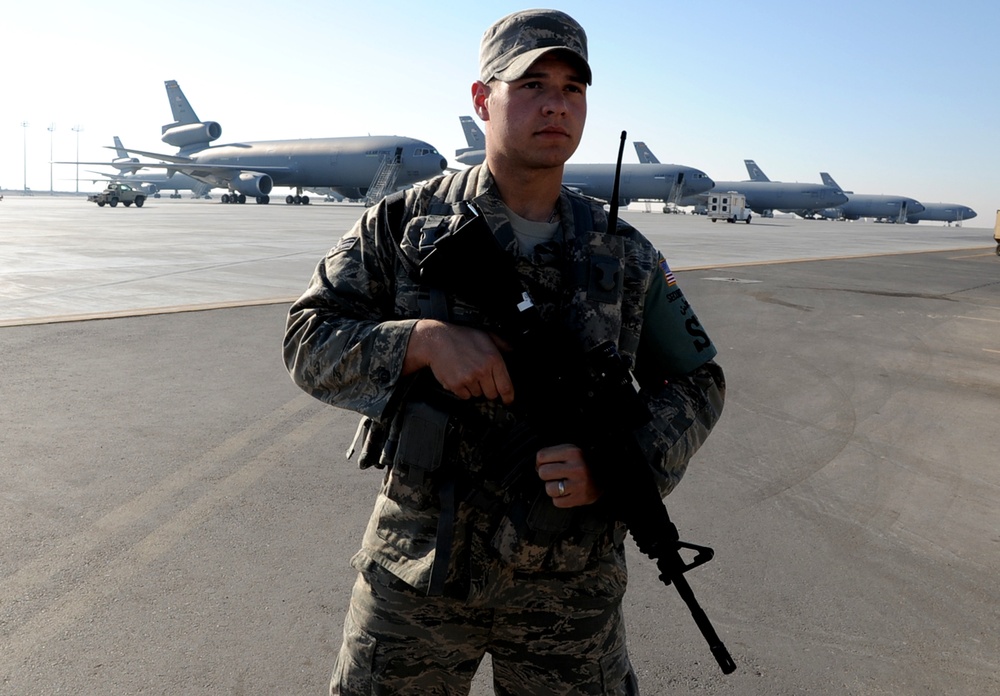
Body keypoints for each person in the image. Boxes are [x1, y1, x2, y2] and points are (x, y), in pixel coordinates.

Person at [283, 8, 726, 695]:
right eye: (532, 84)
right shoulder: (403, 223)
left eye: (573, 88)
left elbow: (700, 381)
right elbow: (308, 338)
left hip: (570, 588)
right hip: (418, 572)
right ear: (482, 98)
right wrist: (421, 343)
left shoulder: (627, 253)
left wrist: (619, 464)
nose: (556, 104)